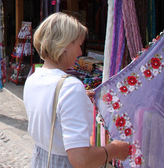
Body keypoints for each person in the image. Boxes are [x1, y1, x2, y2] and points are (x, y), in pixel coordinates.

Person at [23, 12, 129, 168]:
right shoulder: (70, 87)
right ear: (65, 45)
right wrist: (114, 150)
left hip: (40, 160)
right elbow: (81, 159)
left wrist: (77, 98)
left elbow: (50, 110)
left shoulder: (34, 78)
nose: (80, 52)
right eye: (78, 45)